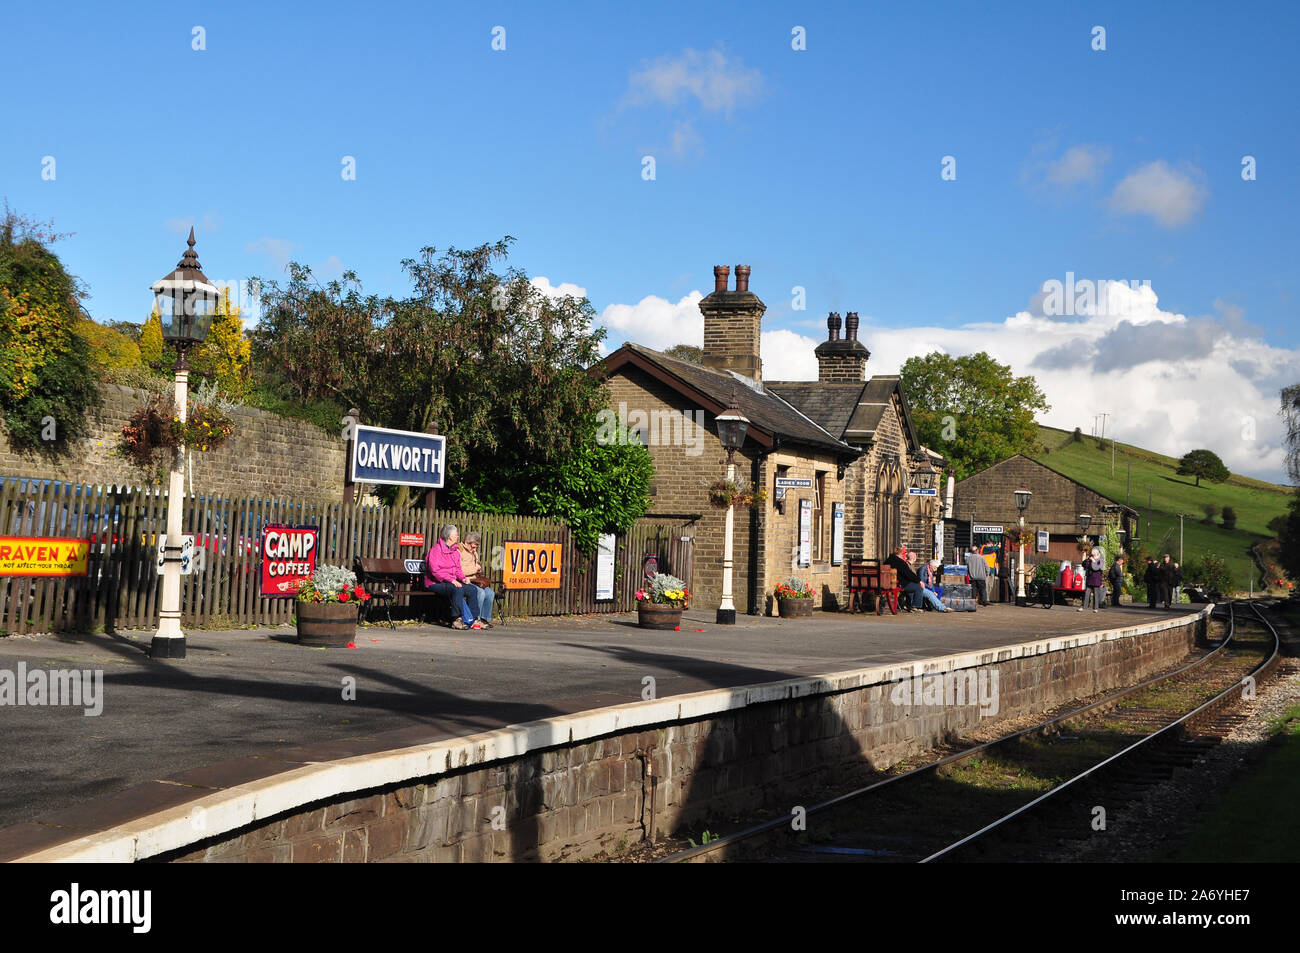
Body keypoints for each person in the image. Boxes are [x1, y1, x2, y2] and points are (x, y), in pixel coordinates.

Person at [424, 524, 482, 630]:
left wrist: (463, 578)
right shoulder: (436, 550)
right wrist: (451, 579)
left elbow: (458, 569)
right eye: (456, 535)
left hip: (450, 582)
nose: (458, 537)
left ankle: (474, 619)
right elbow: (435, 571)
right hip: (435, 583)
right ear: (450, 537)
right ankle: (456, 619)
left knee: (472, 589)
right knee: (457, 589)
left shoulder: (455, 551)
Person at [457, 531, 496, 628]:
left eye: (476, 547)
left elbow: (476, 566)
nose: (474, 549)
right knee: (480, 592)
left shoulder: (474, 553)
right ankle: (475, 619)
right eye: (473, 547)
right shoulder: (459, 551)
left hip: (474, 579)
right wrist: (475, 568)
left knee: (490, 593)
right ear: (466, 543)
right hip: (464, 579)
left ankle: (484, 618)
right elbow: (459, 569)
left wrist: (478, 568)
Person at [1080, 547, 1106, 613]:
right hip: (1089, 578)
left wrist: (1094, 561)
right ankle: (1083, 606)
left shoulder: (1101, 560)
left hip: (1096, 579)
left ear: (1098, 554)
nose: (1093, 555)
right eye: (1093, 554)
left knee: (1096, 594)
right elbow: (1084, 565)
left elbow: (1096, 568)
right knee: (1086, 593)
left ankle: (1095, 608)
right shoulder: (1090, 559)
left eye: (1094, 554)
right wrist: (1087, 560)